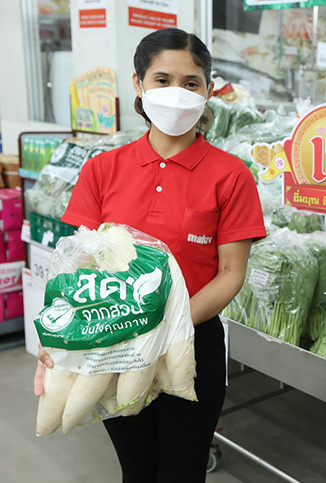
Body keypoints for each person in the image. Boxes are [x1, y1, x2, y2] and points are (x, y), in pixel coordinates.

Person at [33, 28, 266, 482]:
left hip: (193, 344)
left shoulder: (231, 175)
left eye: (191, 81)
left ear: (208, 89)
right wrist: (58, 332)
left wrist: (164, 330)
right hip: (112, 340)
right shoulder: (103, 169)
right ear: (138, 84)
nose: (176, 92)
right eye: (162, 79)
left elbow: (231, 273)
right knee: (136, 468)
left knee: (182, 470)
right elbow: (78, 266)